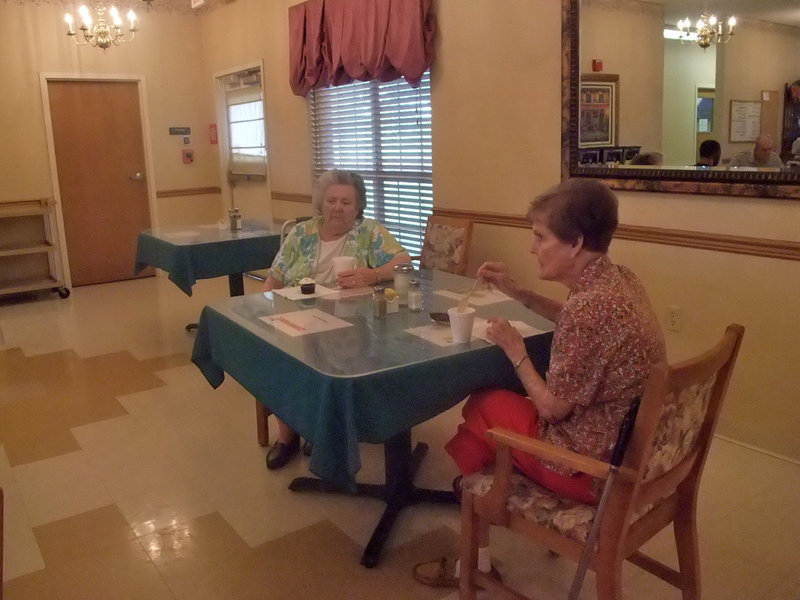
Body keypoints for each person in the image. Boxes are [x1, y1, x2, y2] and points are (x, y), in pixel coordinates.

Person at [414, 179, 666, 588]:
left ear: (575, 242)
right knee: (499, 407)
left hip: (593, 470)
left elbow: (551, 408)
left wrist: (516, 350)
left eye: (539, 237)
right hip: (639, 453)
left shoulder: (590, 309)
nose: (532, 248)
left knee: (482, 405)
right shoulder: (618, 281)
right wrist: (521, 294)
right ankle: (474, 505)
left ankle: (475, 515)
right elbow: (573, 319)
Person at [262, 169, 412, 469]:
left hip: (351, 322)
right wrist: (263, 313)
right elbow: (273, 279)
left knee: (337, 356)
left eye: (346, 202)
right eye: (331, 200)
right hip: (298, 317)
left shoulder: (368, 232)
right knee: (279, 356)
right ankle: (288, 435)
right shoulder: (301, 233)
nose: (338, 208)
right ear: (321, 203)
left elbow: (404, 261)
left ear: (357, 208)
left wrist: (373, 274)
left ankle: (324, 429)